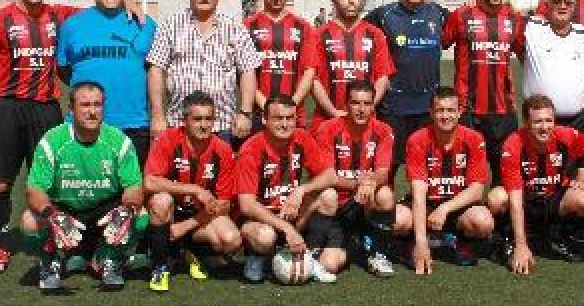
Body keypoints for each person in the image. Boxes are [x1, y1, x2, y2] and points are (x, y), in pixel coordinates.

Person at [0, 0, 86, 275]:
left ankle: (53, 244)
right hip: (7, 109)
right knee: (1, 180)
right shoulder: (0, 20)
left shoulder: (59, 16)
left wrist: (129, 2)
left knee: (50, 181)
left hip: (46, 110)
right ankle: (1, 244)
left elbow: (97, 8)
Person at [20, 81, 145, 291]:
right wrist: (53, 215)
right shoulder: (52, 141)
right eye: (85, 105)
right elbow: (34, 190)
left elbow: (134, 188)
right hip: (65, 210)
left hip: (105, 210)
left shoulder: (119, 141)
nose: (92, 111)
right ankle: (50, 262)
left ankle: (108, 259)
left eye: (97, 105)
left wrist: (126, 210)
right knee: (30, 221)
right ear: (71, 109)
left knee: (140, 216)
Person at [147, 0, 261, 149]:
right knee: (176, 177)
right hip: (179, 124)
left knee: (220, 177)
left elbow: (248, 70)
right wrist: (157, 115)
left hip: (222, 126)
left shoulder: (234, 28)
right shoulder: (171, 25)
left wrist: (245, 113)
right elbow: (156, 69)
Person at [58, 0, 157, 165]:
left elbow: (155, 72)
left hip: (133, 124)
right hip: (84, 124)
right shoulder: (72, 25)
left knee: (132, 193)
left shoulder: (145, 24)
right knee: (83, 191)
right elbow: (63, 70)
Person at [234, 94, 340, 283]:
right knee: (265, 236)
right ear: (265, 119)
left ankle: (310, 257)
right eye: (278, 118)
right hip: (260, 219)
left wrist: (301, 190)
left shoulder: (301, 138)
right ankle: (255, 257)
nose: (285, 124)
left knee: (329, 196)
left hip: (290, 213)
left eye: (289, 118)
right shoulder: (251, 150)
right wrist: (285, 228)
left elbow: (330, 175)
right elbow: (246, 205)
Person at [486, 95, 584, 274]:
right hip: (524, 200)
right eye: (538, 122)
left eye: (549, 120)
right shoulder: (513, 144)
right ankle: (506, 239)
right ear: (526, 122)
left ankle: (562, 235)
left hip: (554, 198)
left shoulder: (565, 135)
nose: (545, 127)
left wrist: (581, 179)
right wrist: (521, 246)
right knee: (496, 198)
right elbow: (515, 200)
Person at [143, 92, 241, 291]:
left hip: (199, 216)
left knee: (231, 239)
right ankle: (160, 265)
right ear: (184, 120)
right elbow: (150, 182)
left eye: (208, 119)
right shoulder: (168, 140)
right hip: (167, 214)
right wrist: (194, 189)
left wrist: (186, 226)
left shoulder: (222, 150)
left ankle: (189, 250)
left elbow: (223, 204)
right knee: (161, 201)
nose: (203, 125)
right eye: (197, 119)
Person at [365, 0, 450, 180]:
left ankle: (422, 212)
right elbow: (357, 31)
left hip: (429, 109)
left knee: (428, 171)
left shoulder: (440, 14)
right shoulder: (383, 15)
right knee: (386, 171)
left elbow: (465, 31)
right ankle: (386, 214)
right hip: (394, 108)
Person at [398, 86, 495, 274]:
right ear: (431, 113)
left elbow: (476, 190)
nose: (445, 116)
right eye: (440, 110)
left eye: (451, 110)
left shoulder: (474, 139)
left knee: (483, 221)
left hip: (457, 208)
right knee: (399, 220)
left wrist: (444, 209)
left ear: (460, 112)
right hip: (426, 207)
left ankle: (457, 240)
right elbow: (418, 194)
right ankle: (411, 244)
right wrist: (421, 243)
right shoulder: (417, 140)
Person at [442, 0, 524, 182]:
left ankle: (501, 216)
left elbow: (527, 56)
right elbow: (440, 42)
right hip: (467, 109)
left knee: (504, 176)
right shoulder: (461, 15)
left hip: (503, 110)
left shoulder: (515, 19)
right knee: (464, 175)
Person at [314, 81, 397, 277]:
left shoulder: (383, 130)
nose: (361, 109)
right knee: (328, 266)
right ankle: (355, 244)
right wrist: (359, 183)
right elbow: (328, 176)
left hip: (366, 203)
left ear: (373, 105)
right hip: (337, 206)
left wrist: (370, 184)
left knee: (385, 195)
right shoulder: (327, 129)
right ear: (346, 104)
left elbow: (383, 173)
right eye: (355, 103)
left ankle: (378, 253)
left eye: (367, 104)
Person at [311, 0, 395, 133]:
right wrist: (333, 112)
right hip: (326, 121)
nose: (351, 1)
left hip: (366, 124)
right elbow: (312, 80)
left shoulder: (375, 34)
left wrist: (365, 109)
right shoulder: (319, 35)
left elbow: (382, 78)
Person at [244, 0, 319, 128]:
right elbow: (242, 73)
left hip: (293, 114)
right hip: (258, 114)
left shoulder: (303, 27)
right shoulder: (247, 26)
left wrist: (290, 105)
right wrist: (266, 106)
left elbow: (310, 71)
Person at [517, 0, 584, 130]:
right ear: (547, 4)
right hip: (539, 121)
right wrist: (474, 4)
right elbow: (501, 13)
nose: (563, 6)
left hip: (577, 121)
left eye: (568, 3)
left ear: (574, 6)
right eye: (557, 2)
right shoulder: (531, 27)